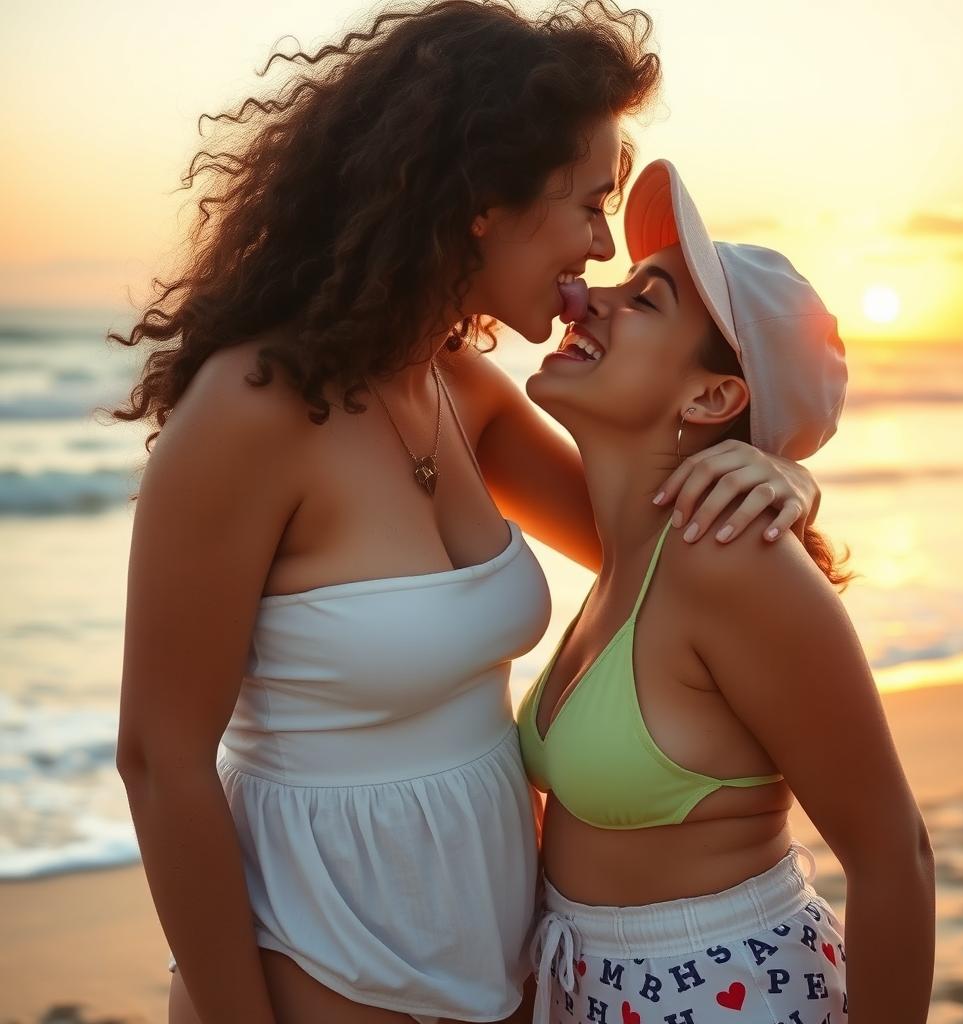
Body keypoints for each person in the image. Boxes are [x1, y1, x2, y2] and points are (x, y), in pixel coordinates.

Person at [110, 5, 824, 1023]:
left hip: (502, 963)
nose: (603, 243)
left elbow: (656, 548)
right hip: (320, 962)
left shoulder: (460, 390)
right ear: (484, 202)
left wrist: (781, 477)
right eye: (589, 203)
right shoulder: (250, 410)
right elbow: (157, 756)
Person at [518, 159, 936, 1024]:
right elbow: (433, 373)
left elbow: (897, 856)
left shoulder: (730, 560)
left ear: (713, 394)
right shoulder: (627, 554)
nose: (588, 298)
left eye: (645, 300)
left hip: (722, 1000)